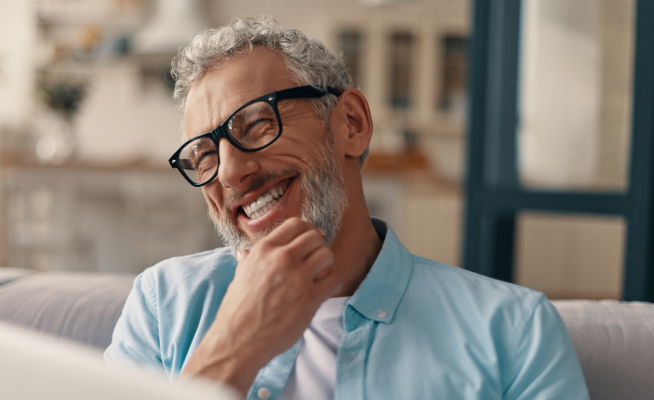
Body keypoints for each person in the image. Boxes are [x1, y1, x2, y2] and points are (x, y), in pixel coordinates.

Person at [105, 16, 590, 400]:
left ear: (351, 124)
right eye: (204, 156)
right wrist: (233, 348)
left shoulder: (513, 331)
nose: (229, 173)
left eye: (255, 125)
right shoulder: (162, 306)